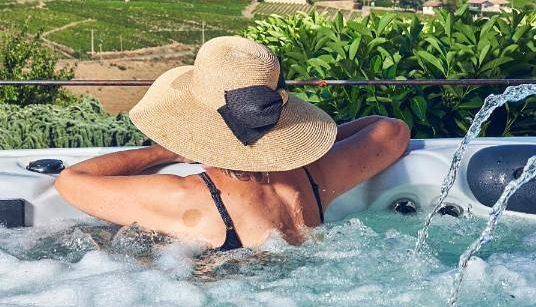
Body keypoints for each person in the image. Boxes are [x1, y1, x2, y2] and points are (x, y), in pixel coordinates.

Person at [55, 36, 409, 250]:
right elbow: (391, 130)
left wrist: (164, 153)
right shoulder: (319, 177)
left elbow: (70, 182)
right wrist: (310, 149)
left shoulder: (191, 197)